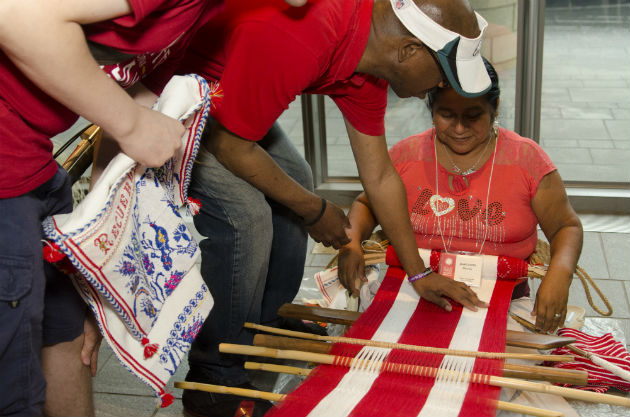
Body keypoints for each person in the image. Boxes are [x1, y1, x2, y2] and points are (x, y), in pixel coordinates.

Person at [176, 1, 494, 415]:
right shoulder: (305, 34)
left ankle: (265, 321)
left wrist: (419, 271)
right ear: (409, 51)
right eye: (440, 77)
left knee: (296, 177)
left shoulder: (370, 66)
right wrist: (313, 211)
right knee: (245, 217)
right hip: (177, 94)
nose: (435, 91)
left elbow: (379, 176)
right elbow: (230, 144)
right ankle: (213, 378)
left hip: (234, 84)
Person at [0, 0, 225, 415]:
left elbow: (130, 99)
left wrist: (105, 242)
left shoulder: (205, 10)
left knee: (67, 336)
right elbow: (18, 16)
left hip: (35, 165)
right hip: (7, 169)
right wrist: (134, 126)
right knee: (16, 384)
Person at [337, 57, 583, 337]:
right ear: (431, 110)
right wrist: (352, 243)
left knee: (495, 374)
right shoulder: (407, 155)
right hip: (412, 287)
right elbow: (366, 204)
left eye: (473, 116)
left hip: (501, 300)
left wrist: (561, 272)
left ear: (495, 108)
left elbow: (567, 226)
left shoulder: (526, 160)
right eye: (446, 114)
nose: (459, 128)